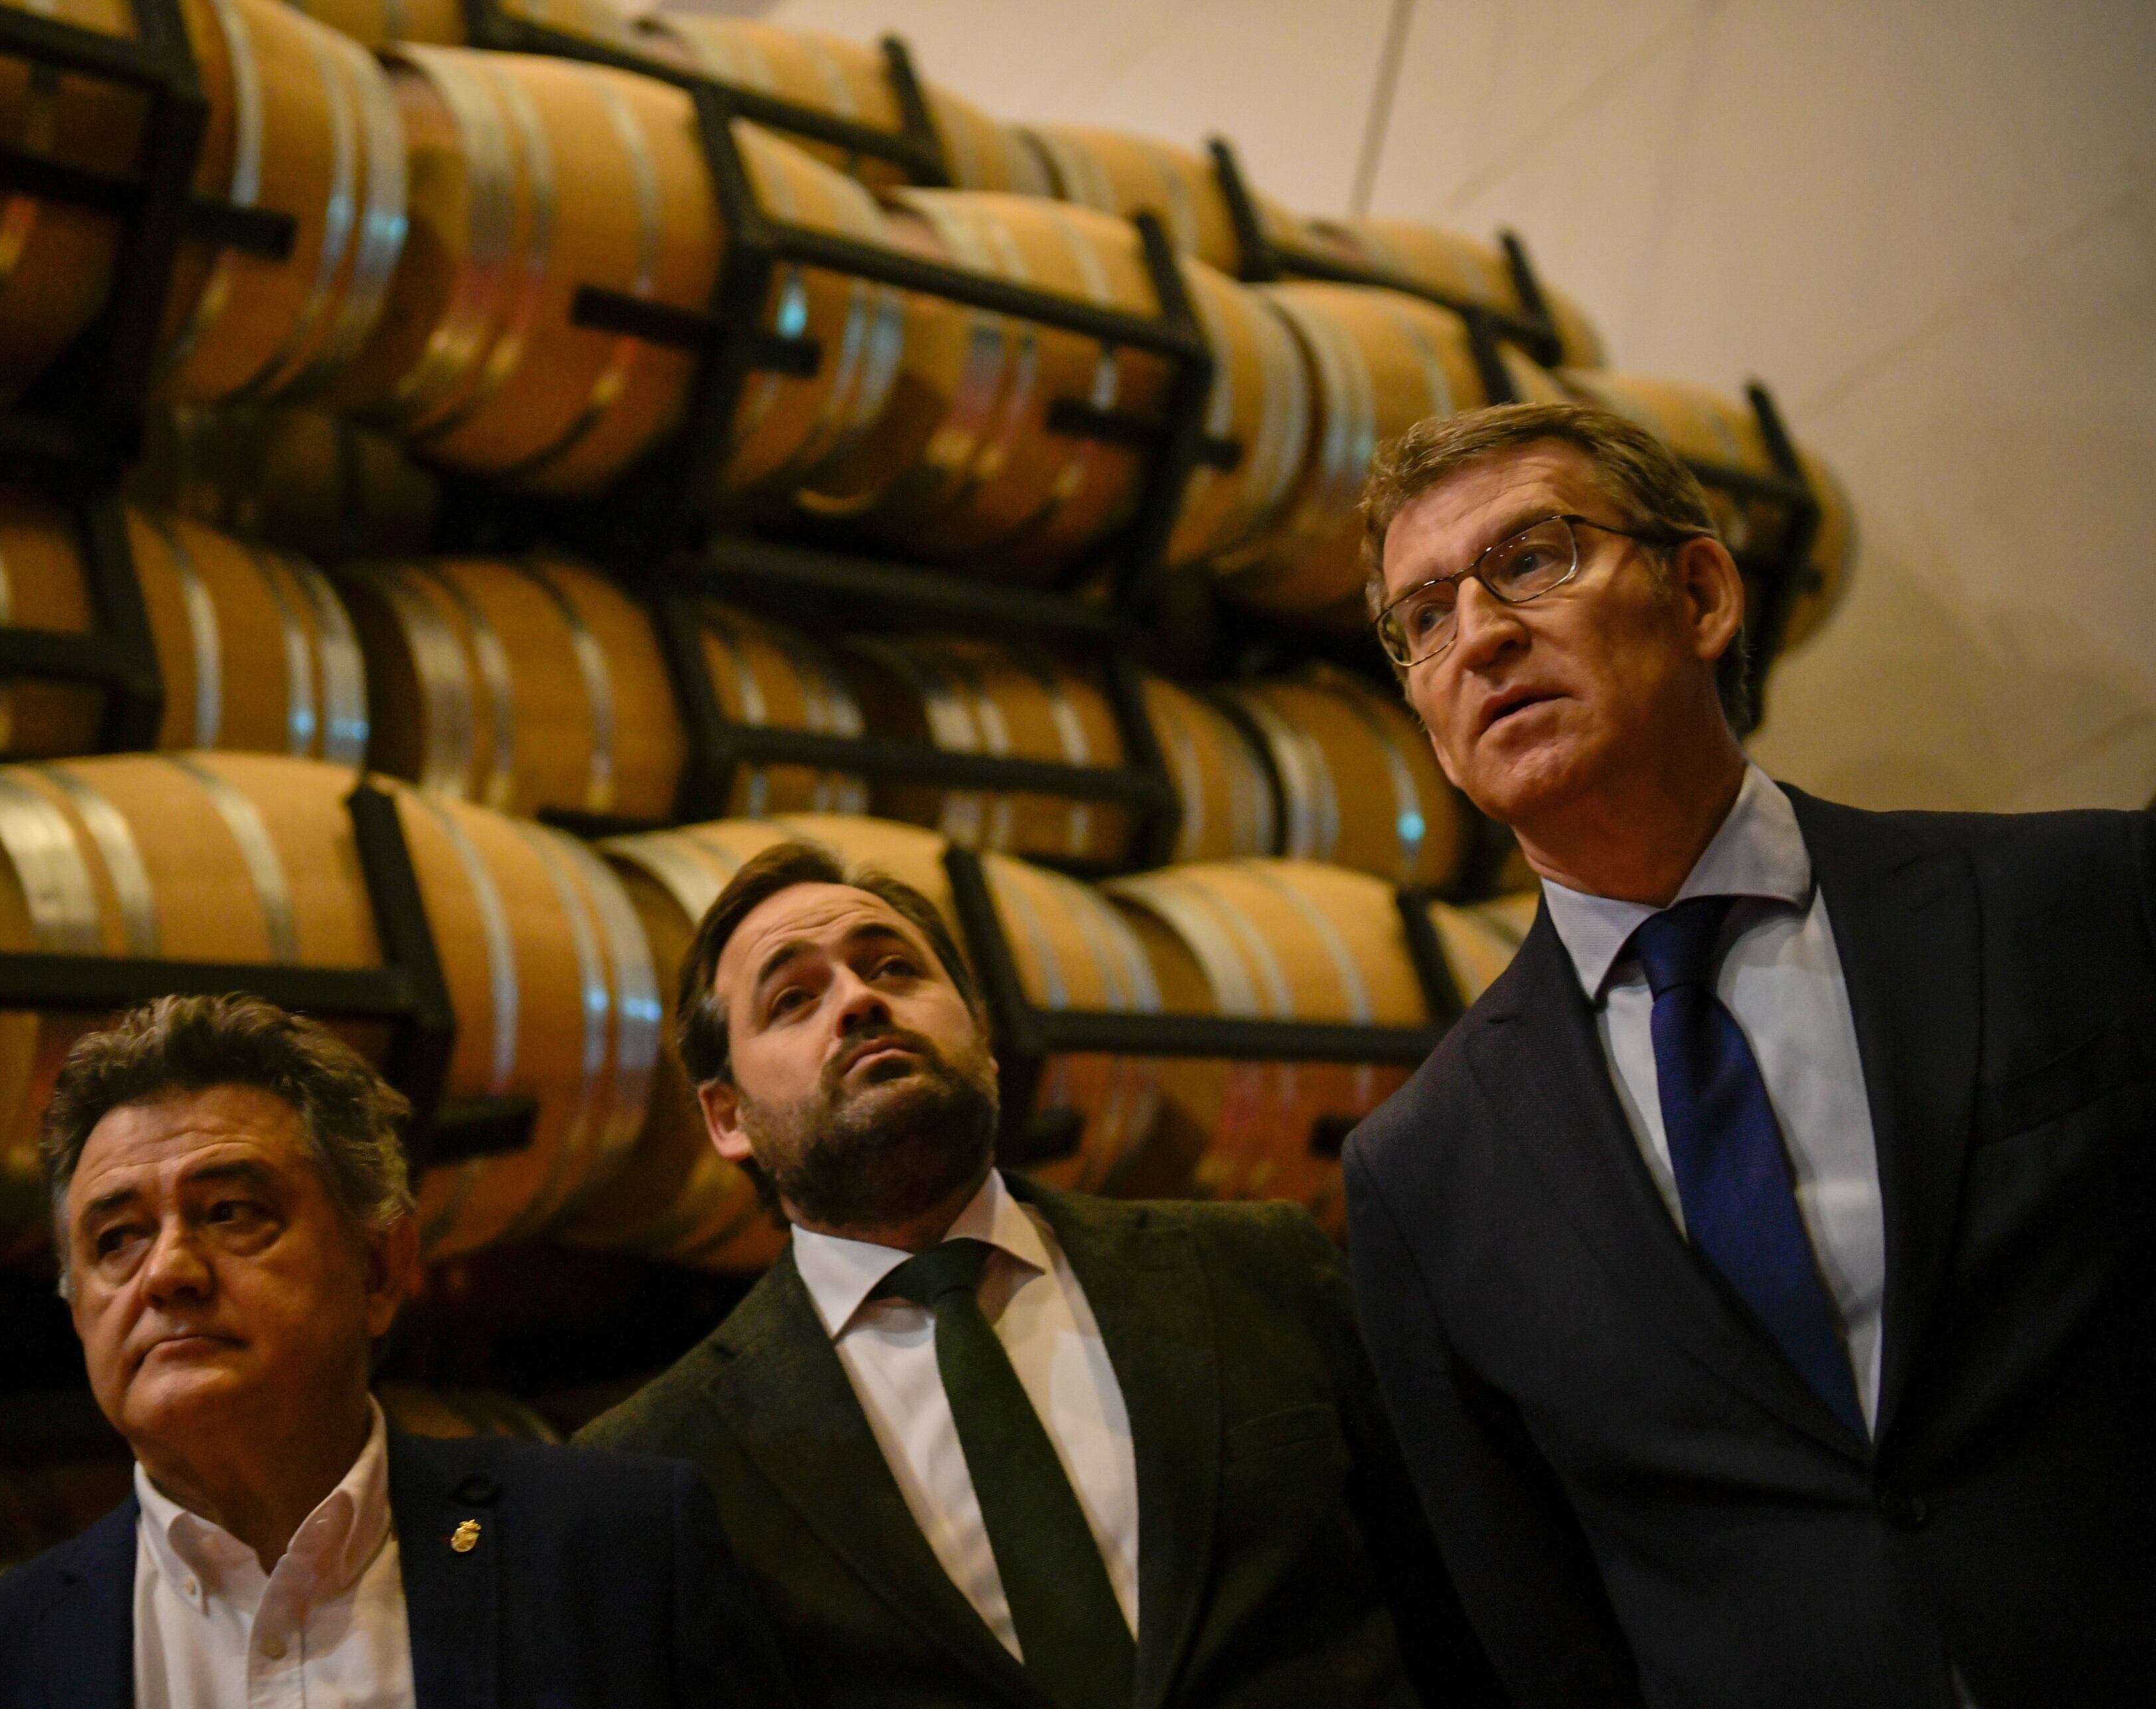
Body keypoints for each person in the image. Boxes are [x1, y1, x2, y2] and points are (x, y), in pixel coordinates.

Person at [1341, 401, 2156, 1709]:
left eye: (1532, 559)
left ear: (1703, 594)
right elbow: (1532, 1634)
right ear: (1427, 718)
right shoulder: (1422, 1172)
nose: (1480, 633)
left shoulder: (2082, 900)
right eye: (1425, 617)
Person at [577, 842, 1503, 1709]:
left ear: (981, 1034)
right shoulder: (654, 1467)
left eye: (892, 967)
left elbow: (1471, 1606)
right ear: (727, 1117)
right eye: (792, 1000)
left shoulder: (1262, 1267)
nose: (857, 1000)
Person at [0, 993, 794, 1709]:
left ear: (379, 1268)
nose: (168, 1271)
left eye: (230, 1212)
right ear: (77, 1309)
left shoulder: (621, 1554)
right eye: (116, 1238)